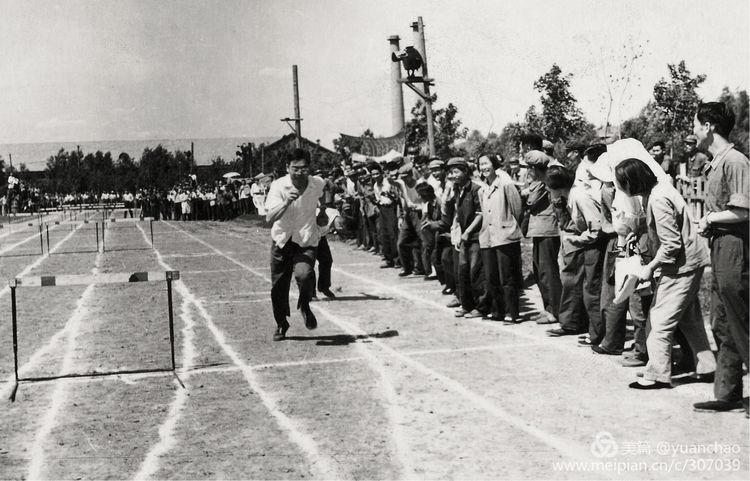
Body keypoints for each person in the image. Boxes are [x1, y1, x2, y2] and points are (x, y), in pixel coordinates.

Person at [615, 158, 716, 389]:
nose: (620, 187)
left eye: (622, 183)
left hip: (682, 265)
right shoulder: (659, 190)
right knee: (690, 320)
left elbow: (671, 245)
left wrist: (649, 268)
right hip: (690, 261)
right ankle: (707, 366)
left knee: (658, 320)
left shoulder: (658, 198)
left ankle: (658, 374)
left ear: (632, 181)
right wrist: (639, 229)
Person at [691, 101, 749, 414]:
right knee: (723, 321)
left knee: (741, 322)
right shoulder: (718, 161)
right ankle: (727, 392)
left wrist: (710, 219)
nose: (693, 131)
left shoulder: (735, 161)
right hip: (722, 247)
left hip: (735, 247)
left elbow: (742, 210)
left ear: (709, 126)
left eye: (696, 124)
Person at [265, 148, 328, 341]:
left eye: (304, 168)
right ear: (287, 168)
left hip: (306, 240)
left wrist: (323, 211)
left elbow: (323, 193)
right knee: (278, 287)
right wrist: (285, 203)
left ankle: (306, 306)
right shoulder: (278, 186)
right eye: (295, 168)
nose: (300, 172)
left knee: (305, 274)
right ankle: (281, 324)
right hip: (282, 240)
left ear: (309, 168)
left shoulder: (316, 183)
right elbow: (269, 218)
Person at [477, 154, 523, 322]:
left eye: (486, 163)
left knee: (508, 277)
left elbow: (517, 209)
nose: (483, 168)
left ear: (494, 165)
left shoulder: (506, 185)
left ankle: (513, 312)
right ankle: (498, 311)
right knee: (491, 277)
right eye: (480, 164)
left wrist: (513, 229)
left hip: (505, 235)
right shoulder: (482, 190)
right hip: (488, 237)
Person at [521, 147, 562, 325]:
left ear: (534, 167)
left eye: (529, 168)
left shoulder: (543, 180)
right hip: (539, 230)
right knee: (540, 272)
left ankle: (555, 310)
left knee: (548, 272)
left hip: (547, 230)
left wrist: (529, 185)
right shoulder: (540, 180)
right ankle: (548, 308)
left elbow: (531, 201)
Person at [448, 157, 487, 318]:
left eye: (456, 171)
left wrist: (468, 232)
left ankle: (481, 307)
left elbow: (480, 214)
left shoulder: (476, 188)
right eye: (451, 172)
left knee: (475, 272)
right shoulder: (457, 189)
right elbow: (457, 213)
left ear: (465, 172)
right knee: (462, 271)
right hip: (464, 238)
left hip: (476, 236)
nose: (453, 175)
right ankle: (466, 304)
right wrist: (457, 233)